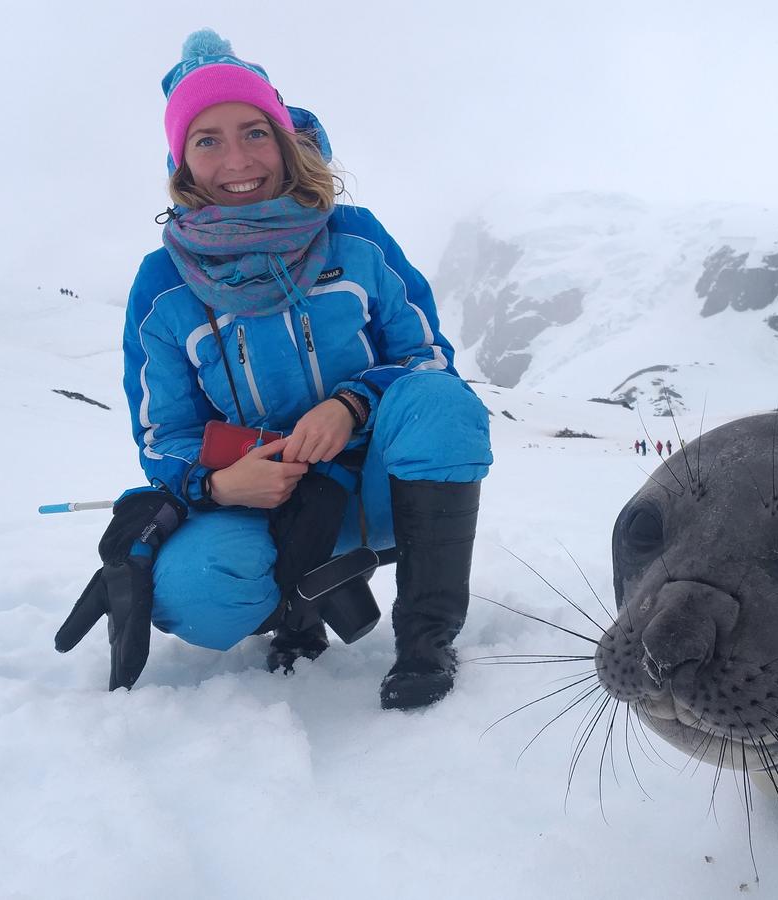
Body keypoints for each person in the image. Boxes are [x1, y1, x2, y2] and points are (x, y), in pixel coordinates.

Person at [61, 30, 491, 710]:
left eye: (254, 132)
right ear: (182, 160)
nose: (237, 159)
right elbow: (163, 434)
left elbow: (425, 361)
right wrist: (222, 484)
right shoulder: (161, 286)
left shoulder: (355, 236)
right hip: (264, 501)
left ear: (284, 139)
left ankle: (426, 637)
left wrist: (350, 405)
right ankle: (292, 602)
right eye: (207, 140)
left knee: (441, 405)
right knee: (194, 591)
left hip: (374, 488)